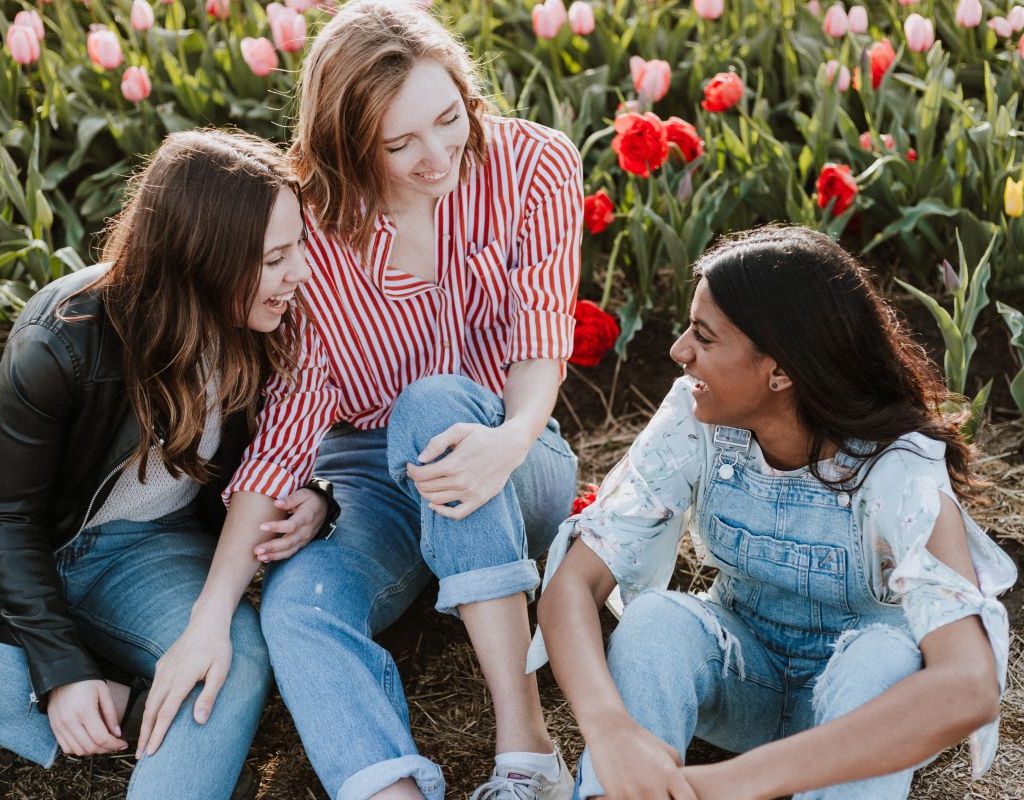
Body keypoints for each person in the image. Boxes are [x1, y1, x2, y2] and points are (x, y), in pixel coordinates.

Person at [532, 225, 1017, 800]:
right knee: (656, 621)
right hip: (745, 678)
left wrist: (733, 784)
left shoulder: (900, 470)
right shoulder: (695, 416)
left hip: (860, 719)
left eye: (705, 338)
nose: (678, 350)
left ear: (781, 371)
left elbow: (968, 685)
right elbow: (573, 585)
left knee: (884, 654)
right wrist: (610, 728)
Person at [237, 2, 583, 798]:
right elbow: (295, 407)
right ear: (349, 144)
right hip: (369, 475)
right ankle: (390, 788)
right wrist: (307, 498)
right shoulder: (311, 221)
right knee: (297, 608)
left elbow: (540, 344)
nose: (436, 157)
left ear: (466, 93)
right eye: (400, 144)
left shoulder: (534, 166)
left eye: (448, 120)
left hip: (514, 445)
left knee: (433, 408)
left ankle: (527, 752)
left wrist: (511, 438)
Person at [0, 129, 339, 800]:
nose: (299, 271)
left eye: (297, 244)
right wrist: (61, 670)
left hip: (142, 551)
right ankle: (70, 687)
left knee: (231, 661)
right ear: (202, 263)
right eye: (276, 257)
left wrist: (317, 498)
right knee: (22, 691)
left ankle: (100, 700)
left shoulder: (271, 324)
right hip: (25, 550)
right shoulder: (62, 341)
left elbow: (280, 451)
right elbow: (8, 518)